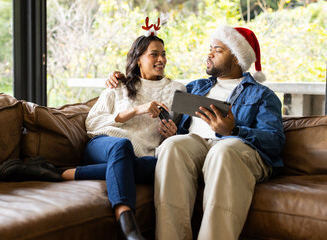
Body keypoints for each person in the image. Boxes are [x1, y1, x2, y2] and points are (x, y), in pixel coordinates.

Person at [0, 18, 186, 240]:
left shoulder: (178, 90)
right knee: (122, 146)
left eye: (163, 53)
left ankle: (54, 173)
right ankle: (128, 225)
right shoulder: (119, 85)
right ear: (138, 60)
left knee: (164, 166)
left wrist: (172, 133)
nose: (162, 59)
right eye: (154, 54)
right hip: (104, 145)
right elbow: (92, 123)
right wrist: (136, 111)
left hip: (143, 156)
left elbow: (183, 135)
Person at [106, 25, 285, 240]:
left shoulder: (263, 95)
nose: (209, 54)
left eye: (218, 50)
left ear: (237, 58)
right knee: (172, 146)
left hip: (237, 150)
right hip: (198, 146)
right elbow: (150, 86)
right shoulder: (195, 87)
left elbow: (274, 142)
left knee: (223, 150)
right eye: (210, 48)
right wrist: (119, 77)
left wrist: (233, 130)